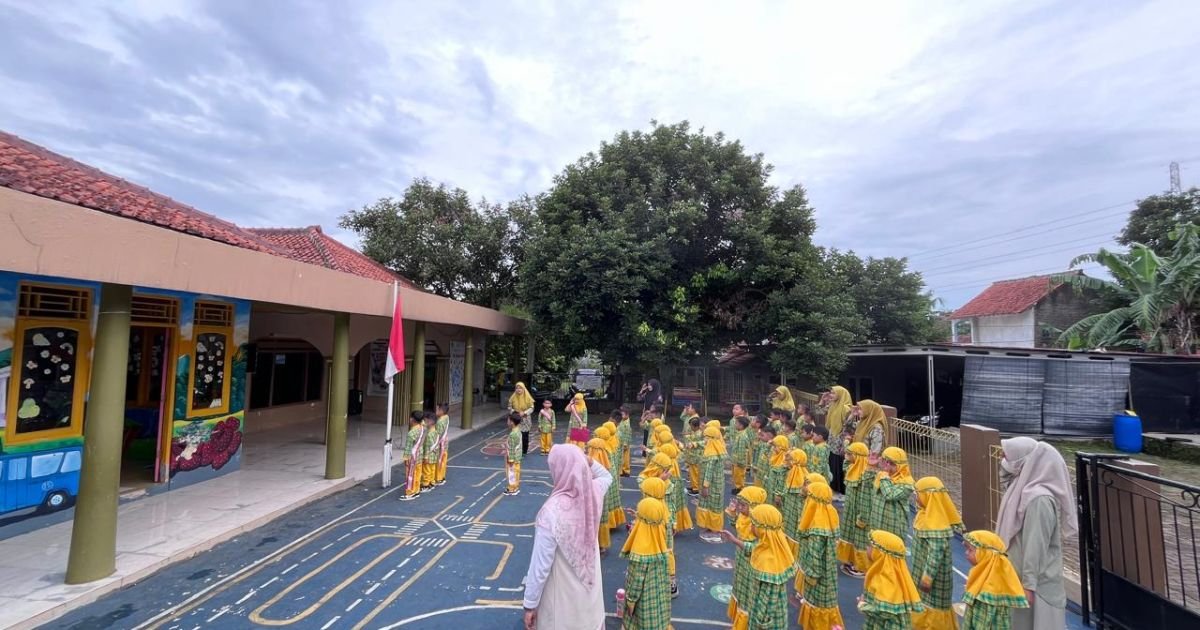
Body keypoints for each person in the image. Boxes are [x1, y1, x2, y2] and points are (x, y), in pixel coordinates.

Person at [522, 445, 612, 630]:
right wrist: (588, 461)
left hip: (563, 604)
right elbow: (606, 477)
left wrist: (530, 604)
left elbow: (540, 565)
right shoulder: (593, 493)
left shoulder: (551, 512)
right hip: (590, 598)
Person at [996, 437, 1077, 630]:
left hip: (1036, 587)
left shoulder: (1039, 500)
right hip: (1016, 579)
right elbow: (1004, 476)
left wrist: (1028, 585)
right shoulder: (1020, 488)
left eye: (1008, 456)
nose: (1003, 459)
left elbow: (1036, 546)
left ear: (1026, 462)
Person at [721, 503, 796, 630]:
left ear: (763, 529)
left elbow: (767, 602)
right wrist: (734, 540)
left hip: (765, 623)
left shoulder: (768, 566)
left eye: (754, 524)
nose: (751, 526)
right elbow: (754, 549)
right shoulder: (769, 546)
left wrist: (759, 624)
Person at [911, 476, 964, 630]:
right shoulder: (924, 514)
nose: (916, 497)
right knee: (923, 603)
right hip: (921, 573)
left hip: (933, 581)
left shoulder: (937, 525)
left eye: (918, 494)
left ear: (929, 496)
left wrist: (927, 578)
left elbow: (935, 555)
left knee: (934, 609)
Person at [797, 481, 844, 630]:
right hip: (828, 572)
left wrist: (811, 576)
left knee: (818, 602)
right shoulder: (829, 514)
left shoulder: (816, 526)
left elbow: (815, 555)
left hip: (818, 576)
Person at [620, 497, 673, 630]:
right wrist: (639, 515)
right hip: (659, 596)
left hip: (644, 602)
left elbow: (636, 582)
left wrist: (630, 601)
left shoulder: (640, 553)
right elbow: (651, 520)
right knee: (658, 619)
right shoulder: (660, 533)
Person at [961, 530, 1030, 630]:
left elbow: (983, 624)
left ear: (986, 554)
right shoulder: (983, 577)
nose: (966, 553)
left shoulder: (987, 590)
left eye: (970, 550)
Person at [858, 530, 924, 629]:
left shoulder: (886, 579)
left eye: (871, 546)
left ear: (881, 553)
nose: (867, 548)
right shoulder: (891, 574)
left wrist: (862, 605)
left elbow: (885, 612)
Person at [725, 486, 768, 625]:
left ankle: (746, 623)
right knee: (740, 587)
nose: (740, 507)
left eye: (743, 505)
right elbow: (737, 526)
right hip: (741, 560)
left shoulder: (760, 524)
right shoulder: (744, 516)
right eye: (739, 504)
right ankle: (739, 620)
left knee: (749, 592)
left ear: (754, 506)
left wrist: (735, 541)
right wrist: (732, 513)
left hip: (752, 564)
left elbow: (756, 548)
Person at [636, 473, 677, 593]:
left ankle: (667, 582)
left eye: (645, 493)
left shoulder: (652, 513)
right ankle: (671, 582)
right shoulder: (663, 508)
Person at [837, 442, 872, 576]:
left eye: (849, 454)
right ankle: (852, 559)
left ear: (857, 456)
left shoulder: (865, 476)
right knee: (851, 535)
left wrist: (862, 518)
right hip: (851, 510)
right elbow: (845, 465)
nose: (846, 456)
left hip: (860, 512)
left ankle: (862, 566)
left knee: (860, 538)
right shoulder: (852, 468)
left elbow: (866, 500)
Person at [870, 446, 915, 540]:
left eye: (892, 463)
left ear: (901, 466)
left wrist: (884, 475)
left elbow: (889, 495)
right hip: (876, 522)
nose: (888, 465)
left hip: (894, 527)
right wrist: (871, 465)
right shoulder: (881, 475)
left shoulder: (907, 483)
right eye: (885, 461)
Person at [696, 425, 728, 543]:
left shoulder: (711, 455)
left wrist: (705, 487)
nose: (704, 440)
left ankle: (715, 531)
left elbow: (708, 473)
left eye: (706, 437)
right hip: (716, 485)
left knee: (713, 506)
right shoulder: (716, 449)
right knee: (711, 505)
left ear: (710, 438)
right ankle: (711, 527)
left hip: (712, 486)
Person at [823, 385, 854, 494]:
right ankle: (834, 485)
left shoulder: (846, 408)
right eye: (831, 393)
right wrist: (823, 401)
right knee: (832, 460)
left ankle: (840, 488)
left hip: (841, 439)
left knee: (839, 462)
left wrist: (843, 444)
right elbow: (821, 412)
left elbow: (848, 426)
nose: (831, 395)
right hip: (832, 437)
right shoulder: (833, 404)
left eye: (833, 393)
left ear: (841, 394)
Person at [586, 437, 615, 552]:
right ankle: (602, 543)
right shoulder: (607, 460)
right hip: (603, 495)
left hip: (593, 496)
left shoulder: (591, 463)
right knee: (602, 517)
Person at [657, 442, 693, 535]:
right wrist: (680, 445)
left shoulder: (666, 464)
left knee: (669, 509)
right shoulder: (675, 459)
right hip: (677, 488)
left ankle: (669, 529)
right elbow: (682, 453)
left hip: (669, 490)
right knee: (675, 507)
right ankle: (675, 526)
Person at [780, 448, 808, 556]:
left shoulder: (803, 477)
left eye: (791, 459)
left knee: (795, 530)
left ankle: (794, 553)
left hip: (796, 513)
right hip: (789, 510)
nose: (788, 462)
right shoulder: (790, 472)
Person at [400, 411, 426, 501]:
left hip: (412, 457)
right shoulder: (422, 427)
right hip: (419, 454)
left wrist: (406, 458)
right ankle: (416, 490)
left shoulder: (411, 433)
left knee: (410, 475)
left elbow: (408, 448)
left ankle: (410, 492)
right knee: (418, 473)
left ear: (412, 419)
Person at [510, 382, 535, 455]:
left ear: (523, 389)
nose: (518, 389)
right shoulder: (513, 397)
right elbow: (509, 407)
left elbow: (532, 408)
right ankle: (517, 450)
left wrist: (524, 412)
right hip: (516, 418)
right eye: (517, 388)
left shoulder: (528, 397)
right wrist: (515, 412)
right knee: (516, 435)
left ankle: (524, 451)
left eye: (520, 388)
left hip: (525, 419)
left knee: (524, 436)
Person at [638, 379, 665, 446]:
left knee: (654, 434)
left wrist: (650, 412)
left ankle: (654, 449)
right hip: (647, 416)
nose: (649, 386)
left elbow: (659, 407)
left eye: (650, 385)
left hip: (655, 417)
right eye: (648, 385)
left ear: (654, 385)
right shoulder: (647, 394)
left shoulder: (659, 396)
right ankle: (645, 450)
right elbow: (639, 399)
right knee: (646, 434)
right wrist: (642, 390)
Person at [729, 416, 752, 494]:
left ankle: (740, 488)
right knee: (736, 474)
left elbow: (741, 450)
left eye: (736, 423)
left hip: (739, 461)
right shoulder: (739, 434)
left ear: (741, 425)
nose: (735, 425)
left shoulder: (742, 436)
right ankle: (737, 487)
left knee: (739, 475)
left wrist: (740, 462)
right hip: (736, 460)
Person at [765, 435, 790, 508]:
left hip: (777, 493)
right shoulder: (775, 456)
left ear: (781, 447)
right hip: (771, 488)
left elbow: (782, 479)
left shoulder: (786, 460)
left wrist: (778, 494)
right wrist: (768, 445)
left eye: (775, 446)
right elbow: (765, 454)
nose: (773, 448)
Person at [684, 415, 704, 495]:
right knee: (692, 473)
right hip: (692, 457)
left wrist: (691, 441)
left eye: (691, 426)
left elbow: (697, 441)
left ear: (695, 426)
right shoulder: (695, 432)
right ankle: (693, 486)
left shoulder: (700, 433)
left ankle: (696, 488)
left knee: (695, 473)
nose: (690, 427)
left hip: (696, 458)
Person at [505, 412, 523, 496]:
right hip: (517, 456)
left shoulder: (513, 434)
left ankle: (512, 488)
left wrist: (511, 459)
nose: (507, 422)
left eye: (508, 420)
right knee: (516, 472)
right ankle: (515, 487)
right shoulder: (518, 430)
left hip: (513, 457)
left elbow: (512, 448)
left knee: (511, 473)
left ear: (512, 422)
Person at [421, 411, 440, 492]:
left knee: (426, 471)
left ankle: (426, 485)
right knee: (432, 469)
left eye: (425, 421)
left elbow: (427, 447)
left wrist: (425, 457)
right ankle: (432, 482)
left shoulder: (429, 434)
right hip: (434, 455)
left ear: (430, 422)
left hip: (428, 456)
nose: (424, 423)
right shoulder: (436, 432)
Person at [435, 402, 451, 484]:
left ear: (441, 411)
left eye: (437, 409)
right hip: (445, 443)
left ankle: (438, 478)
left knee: (439, 460)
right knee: (443, 460)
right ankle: (442, 476)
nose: (436, 411)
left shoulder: (440, 422)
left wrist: (434, 446)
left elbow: (438, 435)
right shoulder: (446, 417)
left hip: (440, 444)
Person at [617, 407, 633, 476]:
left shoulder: (626, 424)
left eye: (622, 414)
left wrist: (625, 444)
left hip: (624, 443)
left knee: (624, 458)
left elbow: (627, 434)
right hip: (621, 442)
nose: (621, 416)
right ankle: (623, 470)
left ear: (627, 415)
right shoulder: (622, 421)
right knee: (622, 457)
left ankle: (625, 471)